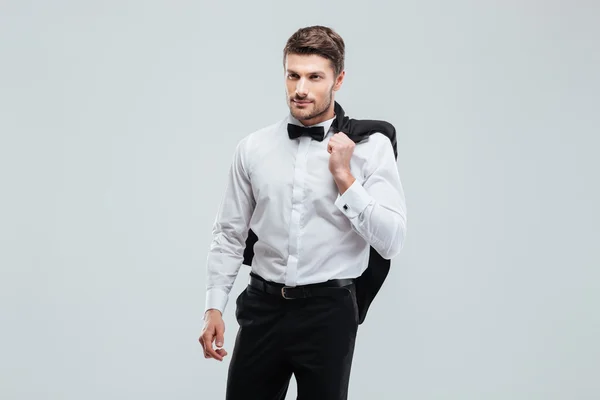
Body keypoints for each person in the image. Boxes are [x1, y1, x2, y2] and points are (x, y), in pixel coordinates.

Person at [198, 25, 407, 399]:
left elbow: (391, 241)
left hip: (329, 312)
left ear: (338, 80)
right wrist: (214, 307)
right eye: (293, 75)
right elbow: (229, 233)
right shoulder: (253, 148)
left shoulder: (371, 148)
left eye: (315, 77)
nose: (300, 89)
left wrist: (345, 178)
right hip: (262, 308)